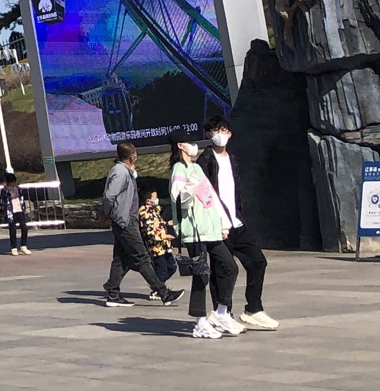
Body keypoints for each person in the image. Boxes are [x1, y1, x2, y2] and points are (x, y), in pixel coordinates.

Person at [198, 116, 277, 328]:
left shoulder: (231, 158)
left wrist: (239, 216)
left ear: (230, 133)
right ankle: (223, 313)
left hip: (237, 223)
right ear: (208, 135)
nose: (219, 135)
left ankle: (254, 308)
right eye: (214, 131)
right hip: (217, 226)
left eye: (222, 130)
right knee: (222, 270)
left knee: (258, 261)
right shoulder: (204, 160)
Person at [168, 136, 242, 340]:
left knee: (230, 266)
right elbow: (180, 199)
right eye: (189, 142)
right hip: (194, 232)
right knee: (201, 276)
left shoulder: (196, 168)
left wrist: (223, 223)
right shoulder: (178, 170)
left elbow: (212, 198)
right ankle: (200, 322)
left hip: (210, 229)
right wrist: (191, 185)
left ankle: (220, 312)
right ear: (180, 146)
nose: (194, 146)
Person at [101, 144, 181, 307]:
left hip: (126, 220)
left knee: (121, 258)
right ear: (131, 156)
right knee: (142, 257)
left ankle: (113, 291)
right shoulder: (120, 172)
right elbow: (109, 196)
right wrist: (107, 212)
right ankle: (163, 292)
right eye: (135, 154)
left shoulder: (125, 172)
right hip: (125, 221)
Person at [0, 175, 32, 256]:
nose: (14, 183)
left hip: (19, 209)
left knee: (24, 227)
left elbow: (22, 197)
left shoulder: (18, 189)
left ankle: (23, 245)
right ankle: (14, 247)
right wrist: (0, 205)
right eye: (13, 182)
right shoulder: (5, 190)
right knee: (12, 229)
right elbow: (2, 200)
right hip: (10, 211)